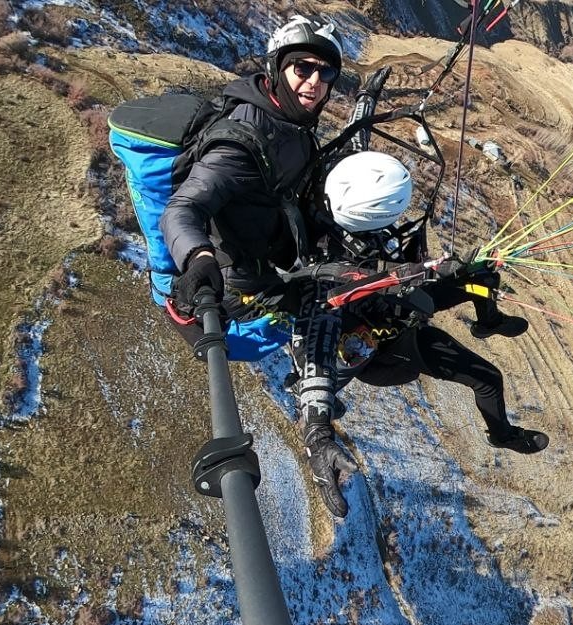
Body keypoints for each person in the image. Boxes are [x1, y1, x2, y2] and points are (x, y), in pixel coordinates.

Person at [159, 15, 358, 517]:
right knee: (330, 300)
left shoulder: (290, 124)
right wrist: (198, 257)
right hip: (238, 285)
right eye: (302, 69)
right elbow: (182, 210)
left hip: (272, 253)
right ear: (276, 69)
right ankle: (317, 433)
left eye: (326, 73)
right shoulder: (240, 141)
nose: (315, 82)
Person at [315, 151, 550, 455]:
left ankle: (488, 323)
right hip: (390, 347)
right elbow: (376, 289)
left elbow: (388, 278)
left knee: (482, 277)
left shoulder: (348, 236)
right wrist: (430, 275)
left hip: (403, 303)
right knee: (488, 378)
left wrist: (449, 271)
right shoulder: (333, 273)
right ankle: (503, 436)